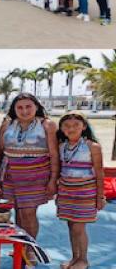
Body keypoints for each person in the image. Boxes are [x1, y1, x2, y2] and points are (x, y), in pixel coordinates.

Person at [0, 93, 59, 265]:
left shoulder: (47, 125)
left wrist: (53, 179)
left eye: (28, 106)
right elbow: (1, 150)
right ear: (14, 109)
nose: (24, 111)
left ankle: (31, 248)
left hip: (36, 175)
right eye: (20, 107)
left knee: (28, 212)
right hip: (11, 174)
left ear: (36, 107)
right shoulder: (7, 124)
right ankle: (20, 246)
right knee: (17, 210)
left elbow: (54, 154)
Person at [56, 113, 105, 269]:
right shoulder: (61, 146)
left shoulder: (92, 146)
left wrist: (100, 196)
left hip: (85, 193)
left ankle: (83, 259)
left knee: (79, 227)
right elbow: (60, 170)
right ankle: (74, 258)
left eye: (76, 125)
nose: (71, 128)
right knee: (71, 226)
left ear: (84, 127)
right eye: (67, 126)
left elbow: (99, 172)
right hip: (66, 192)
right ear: (62, 129)